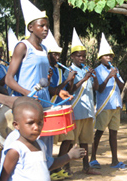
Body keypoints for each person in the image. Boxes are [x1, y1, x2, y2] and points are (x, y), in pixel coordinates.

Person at [5, 0, 73, 157]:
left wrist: (56, 91)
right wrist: (28, 93)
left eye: (47, 26)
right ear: (30, 27)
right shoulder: (23, 47)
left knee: (45, 148)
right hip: (27, 105)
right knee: (31, 148)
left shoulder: (44, 50)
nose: (45, 29)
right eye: (41, 26)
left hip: (44, 104)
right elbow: (9, 79)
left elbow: (42, 82)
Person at [0, 96, 86, 181]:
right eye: (30, 123)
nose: (36, 127)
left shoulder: (40, 145)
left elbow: (49, 165)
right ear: (16, 125)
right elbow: (3, 177)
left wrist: (69, 156)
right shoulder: (16, 149)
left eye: (40, 123)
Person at [89, 33, 127, 170]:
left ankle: (115, 160)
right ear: (100, 58)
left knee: (114, 133)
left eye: (111, 56)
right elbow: (99, 89)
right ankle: (93, 158)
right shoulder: (97, 71)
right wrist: (108, 76)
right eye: (106, 56)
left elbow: (122, 86)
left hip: (116, 105)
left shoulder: (115, 70)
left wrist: (115, 75)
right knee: (99, 133)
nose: (109, 58)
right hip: (104, 106)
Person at [64, 28, 101, 175]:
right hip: (75, 111)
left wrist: (94, 77)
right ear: (72, 56)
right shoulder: (69, 71)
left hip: (87, 111)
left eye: (84, 56)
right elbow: (70, 91)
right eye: (79, 56)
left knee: (85, 141)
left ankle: (86, 167)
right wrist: (84, 78)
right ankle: (66, 167)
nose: (82, 58)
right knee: (71, 141)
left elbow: (96, 88)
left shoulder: (87, 69)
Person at [43, 30, 76, 180]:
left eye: (58, 54)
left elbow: (66, 90)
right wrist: (66, 79)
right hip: (47, 108)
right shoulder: (45, 69)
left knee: (63, 139)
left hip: (59, 108)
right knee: (45, 142)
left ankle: (56, 168)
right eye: (54, 54)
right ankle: (48, 170)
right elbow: (51, 91)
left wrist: (71, 80)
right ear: (47, 54)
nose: (57, 57)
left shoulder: (58, 70)